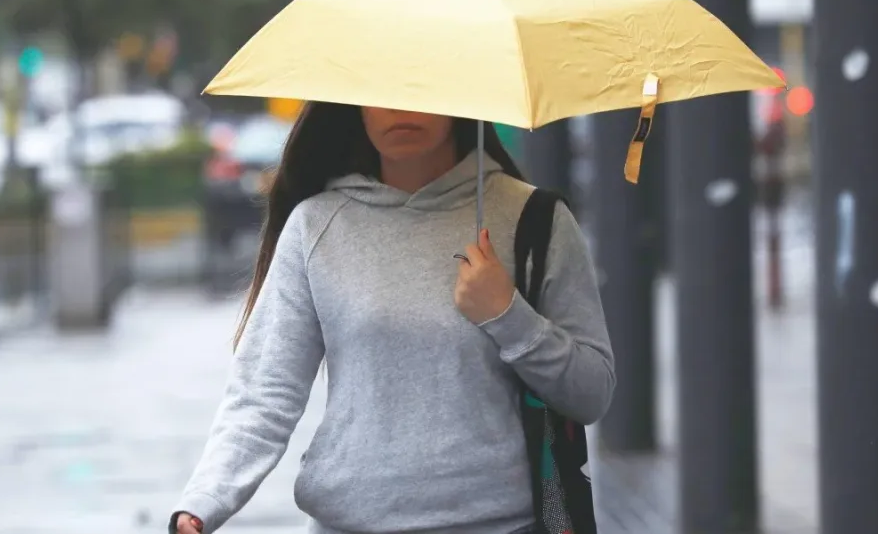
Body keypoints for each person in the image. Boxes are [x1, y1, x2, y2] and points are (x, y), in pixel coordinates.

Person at [171, 102, 615, 534]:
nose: (399, 108)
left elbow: (591, 393)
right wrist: (203, 503)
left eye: (418, 88)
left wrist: (507, 314)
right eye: (380, 93)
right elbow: (264, 395)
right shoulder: (316, 225)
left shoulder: (535, 221)